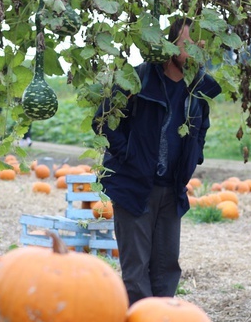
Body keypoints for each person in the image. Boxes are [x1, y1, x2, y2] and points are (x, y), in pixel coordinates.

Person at [93, 17, 221, 304]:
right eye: (190, 45)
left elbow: (202, 129)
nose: (196, 54)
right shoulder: (136, 81)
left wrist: (194, 157)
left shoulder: (197, 91)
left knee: (166, 266)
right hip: (134, 184)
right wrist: (130, 156)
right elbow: (102, 121)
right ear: (170, 45)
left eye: (202, 48)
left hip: (171, 188)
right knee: (136, 270)